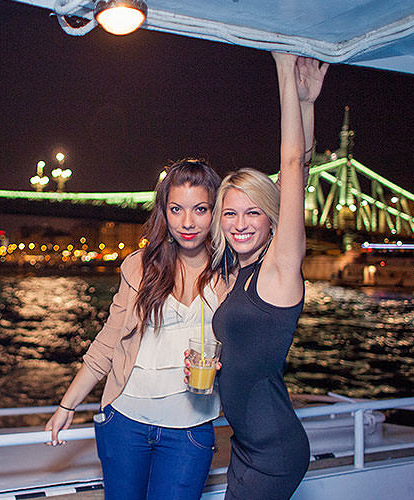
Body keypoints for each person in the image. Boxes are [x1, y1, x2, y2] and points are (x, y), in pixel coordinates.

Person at [45, 158, 226, 500]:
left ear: (216, 212)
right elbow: (108, 342)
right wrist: (67, 405)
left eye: (200, 209)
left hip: (190, 429)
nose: (187, 222)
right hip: (124, 421)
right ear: (164, 213)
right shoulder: (140, 267)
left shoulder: (229, 275)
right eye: (176, 209)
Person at [210, 53, 328, 500]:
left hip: (275, 449)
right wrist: (307, 103)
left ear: (273, 219)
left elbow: (296, 165)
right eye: (231, 213)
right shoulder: (240, 274)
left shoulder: (279, 269)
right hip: (244, 443)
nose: (240, 224)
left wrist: (282, 65)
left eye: (253, 212)